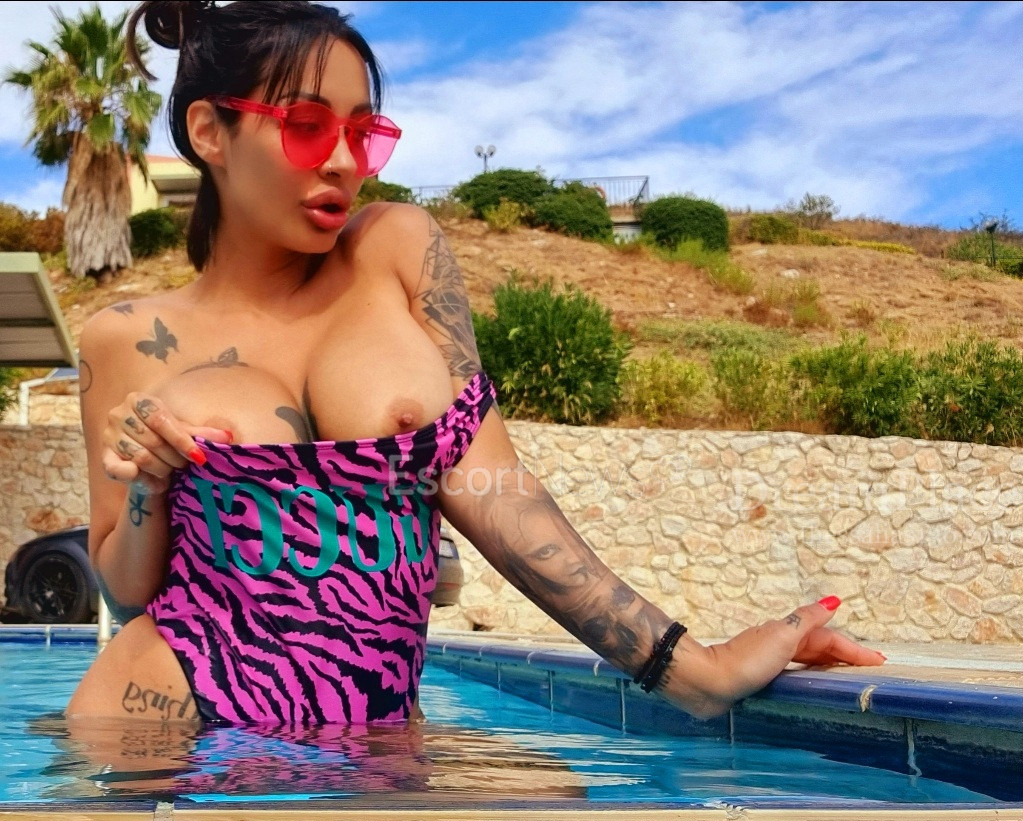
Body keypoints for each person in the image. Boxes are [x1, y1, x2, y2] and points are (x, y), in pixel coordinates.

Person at [67, 0, 884, 727]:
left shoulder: (396, 252)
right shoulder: (124, 336)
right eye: (308, 125)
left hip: (375, 728)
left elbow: (498, 491)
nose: (344, 161)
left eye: (363, 133)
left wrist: (690, 671)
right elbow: (123, 588)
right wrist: (148, 486)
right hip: (165, 721)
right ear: (210, 131)